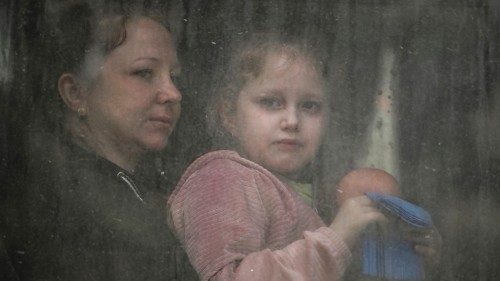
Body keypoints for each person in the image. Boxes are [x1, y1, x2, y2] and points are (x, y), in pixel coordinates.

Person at [167, 34, 391, 280]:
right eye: (271, 102)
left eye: (310, 106)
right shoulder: (222, 178)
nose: (292, 121)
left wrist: (413, 253)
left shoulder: (309, 191)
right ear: (229, 113)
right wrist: (336, 238)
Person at [3, 1, 196, 280]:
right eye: (144, 72)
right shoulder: (61, 209)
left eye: (174, 77)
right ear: (76, 93)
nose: (173, 93)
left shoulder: (136, 189)